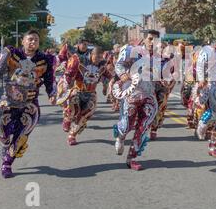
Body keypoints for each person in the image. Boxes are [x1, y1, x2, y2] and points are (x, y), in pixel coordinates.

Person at [0, 30, 56, 178]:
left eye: (36, 40)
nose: (33, 42)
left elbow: (50, 79)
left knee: (21, 136)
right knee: (2, 129)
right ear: (23, 41)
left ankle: (7, 164)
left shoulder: (45, 60)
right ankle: (5, 144)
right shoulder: (11, 53)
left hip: (30, 103)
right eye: (30, 39)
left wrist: (52, 93)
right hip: (9, 100)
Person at [112, 30, 160, 171]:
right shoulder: (131, 50)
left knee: (143, 127)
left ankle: (131, 158)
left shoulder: (159, 56)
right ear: (144, 39)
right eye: (150, 39)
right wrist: (122, 75)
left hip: (149, 96)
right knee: (127, 125)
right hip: (132, 94)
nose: (153, 43)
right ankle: (120, 136)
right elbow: (119, 65)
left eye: (156, 40)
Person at [58, 46, 109, 145]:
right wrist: (68, 84)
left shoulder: (102, 66)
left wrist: (107, 86)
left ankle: (72, 135)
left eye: (100, 58)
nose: (98, 60)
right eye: (97, 57)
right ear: (92, 54)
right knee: (73, 111)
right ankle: (67, 118)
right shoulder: (80, 61)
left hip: (91, 94)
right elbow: (69, 73)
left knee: (85, 115)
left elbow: (108, 76)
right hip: (78, 91)